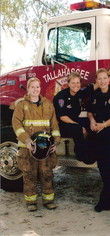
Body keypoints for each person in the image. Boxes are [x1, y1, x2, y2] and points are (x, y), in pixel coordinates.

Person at [12, 77, 61, 211]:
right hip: (27, 148)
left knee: (47, 174)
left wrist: (56, 142)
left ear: (40, 88)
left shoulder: (48, 105)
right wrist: (27, 140)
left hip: (45, 148)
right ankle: (31, 202)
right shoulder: (21, 105)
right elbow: (16, 124)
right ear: (28, 89)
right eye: (32, 87)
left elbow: (54, 125)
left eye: (37, 87)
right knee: (30, 174)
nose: (35, 89)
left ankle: (48, 200)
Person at [87, 68, 110, 212]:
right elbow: (90, 111)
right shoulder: (94, 95)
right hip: (98, 134)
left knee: (109, 167)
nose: (102, 81)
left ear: (109, 79)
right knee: (102, 167)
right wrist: (91, 120)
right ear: (96, 81)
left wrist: (104, 124)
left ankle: (106, 199)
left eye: (104, 78)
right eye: (99, 79)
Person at [53, 71, 98, 163]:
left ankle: (93, 151)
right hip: (62, 125)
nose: (76, 85)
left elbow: (94, 87)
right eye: (73, 83)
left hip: (74, 121)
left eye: (78, 83)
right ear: (68, 83)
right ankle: (81, 155)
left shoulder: (79, 93)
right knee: (77, 128)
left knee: (92, 124)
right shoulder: (61, 96)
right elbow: (62, 117)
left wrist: (108, 73)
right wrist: (78, 125)